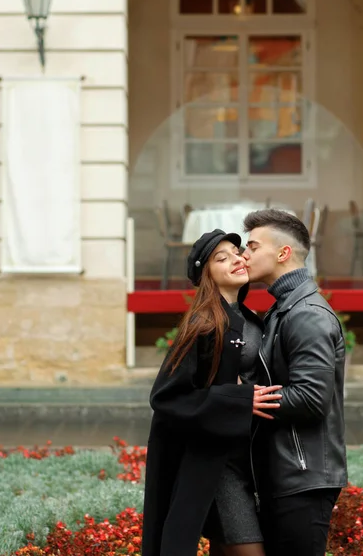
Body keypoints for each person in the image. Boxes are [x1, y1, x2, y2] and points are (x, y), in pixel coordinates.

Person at [141, 229, 282, 556]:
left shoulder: (247, 318)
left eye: (236, 251)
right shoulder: (204, 323)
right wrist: (239, 398)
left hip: (245, 459)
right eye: (222, 258)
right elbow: (165, 397)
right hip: (217, 467)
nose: (236, 259)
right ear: (207, 274)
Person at [241, 209, 348, 556]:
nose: (245, 255)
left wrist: (243, 401)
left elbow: (312, 398)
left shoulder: (306, 314)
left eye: (253, 247)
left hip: (303, 479)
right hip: (288, 474)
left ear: (283, 253)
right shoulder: (283, 308)